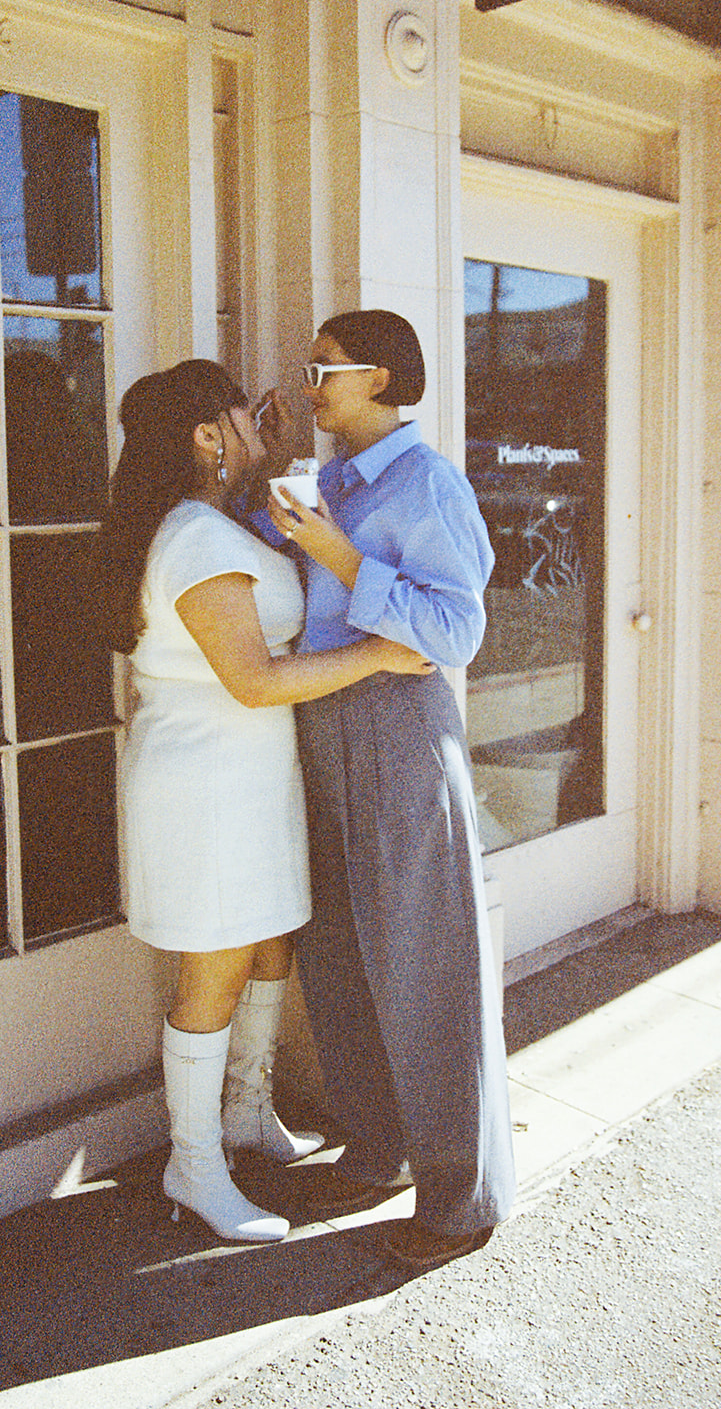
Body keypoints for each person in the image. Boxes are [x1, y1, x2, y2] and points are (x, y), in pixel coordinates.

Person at [92, 359, 433, 1245]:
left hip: (250, 776)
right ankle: (194, 1165)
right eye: (243, 414)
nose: (262, 418)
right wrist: (379, 655)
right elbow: (250, 678)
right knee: (215, 964)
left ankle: (246, 1112)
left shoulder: (215, 522)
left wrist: (268, 455)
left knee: (270, 936)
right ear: (207, 436)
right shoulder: (196, 538)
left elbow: (276, 545)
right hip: (205, 785)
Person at [265, 309, 516, 1271]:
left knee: (425, 966)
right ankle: (377, 1153)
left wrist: (338, 555)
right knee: (338, 953)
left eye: (321, 368)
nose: (307, 381)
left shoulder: (428, 483)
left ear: (379, 379)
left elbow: (451, 637)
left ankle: (463, 1198)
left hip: (400, 736)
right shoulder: (324, 481)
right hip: (317, 725)